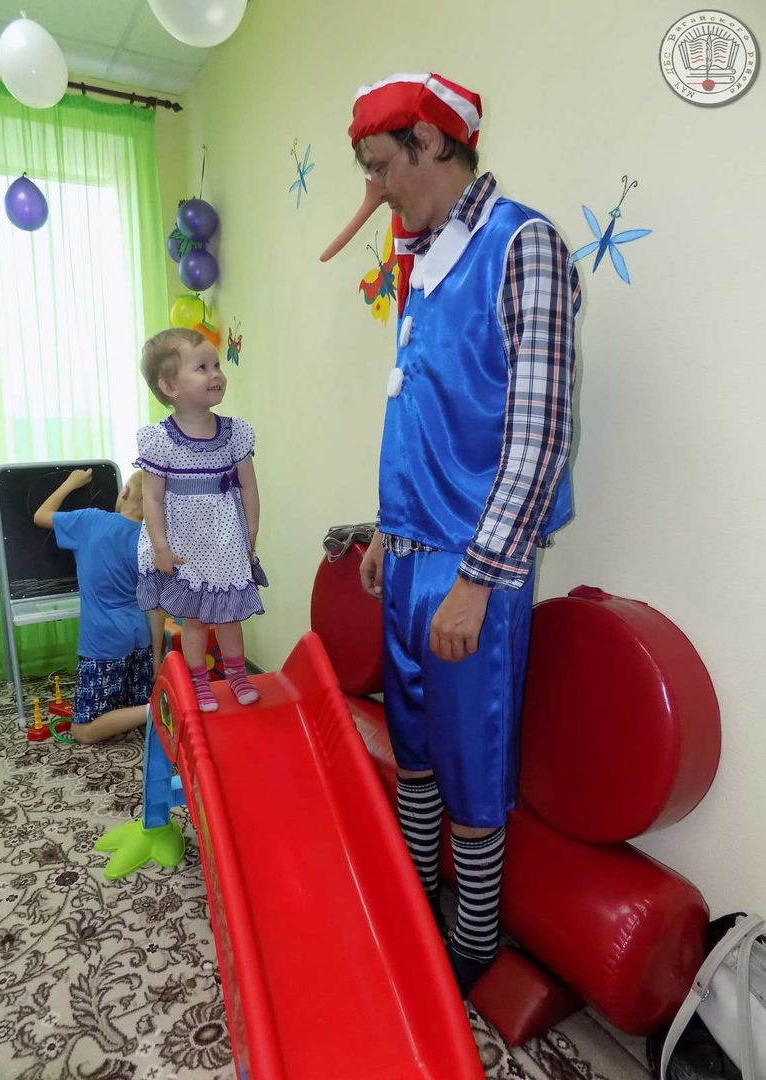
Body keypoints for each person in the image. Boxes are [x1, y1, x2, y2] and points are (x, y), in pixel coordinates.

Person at [336, 72, 581, 996]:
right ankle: (414, 904)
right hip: (409, 554)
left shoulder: (522, 245)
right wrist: (385, 528)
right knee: (416, 756)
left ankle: (470, 941)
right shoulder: (421, 262)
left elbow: (539, 433)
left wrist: (477, 580)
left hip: (473, 566)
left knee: (472, 775)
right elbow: (422, 412)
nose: (374, 191)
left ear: (433, 143)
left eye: (379, 166)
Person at [135, 327, 266, 712]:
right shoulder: (160, 440)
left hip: (225, 541)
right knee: (194, 618)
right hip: (185, 544)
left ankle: (237, 675)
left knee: (228, 615)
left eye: (216, 365)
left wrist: (250, 535)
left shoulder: (235, 433)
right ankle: (198, 682)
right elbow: (152, 498)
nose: (215, 374)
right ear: (170, 387)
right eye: (202, 367)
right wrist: (161, 548)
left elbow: (249, 487)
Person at [33, 467, 164, 744]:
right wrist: (156, 658)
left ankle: (158, 709)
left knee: (82, 730)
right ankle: (147, 708)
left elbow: (41, 516)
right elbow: (155, 608)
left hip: (103, 639)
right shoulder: (152, 542)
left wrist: (71, 483)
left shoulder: (91, 521)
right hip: (139, 636)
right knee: (125, 703)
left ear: (125, 492)